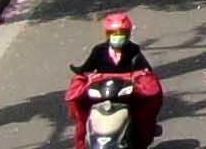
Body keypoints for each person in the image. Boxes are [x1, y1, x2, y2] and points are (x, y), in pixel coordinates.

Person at [67, 14, 163, 145]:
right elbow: (86, 68)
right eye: (113, 33)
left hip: (126, 92)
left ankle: (142, 135)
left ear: (128, 35)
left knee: (143, 112)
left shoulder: (134, 50)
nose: (117, 36)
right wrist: (80, 76)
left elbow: (146, 70)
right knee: (82, 115)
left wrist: (143, 80)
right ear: (107, 35)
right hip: (102, 91)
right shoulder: (99, 51)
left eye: (122, 33)